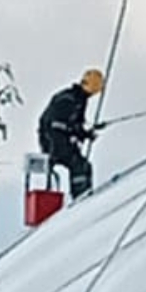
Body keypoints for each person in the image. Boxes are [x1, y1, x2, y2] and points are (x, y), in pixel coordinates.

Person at [38, 68, 106, 200]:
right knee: (78, 164)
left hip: (60, 139)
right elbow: (57, 124)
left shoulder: (79, 100)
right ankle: (80, 195)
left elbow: (75, 125)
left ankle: (83, 192)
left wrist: (86, 133)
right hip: (53, 141)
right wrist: (75, 134)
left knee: (84, 165)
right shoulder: (68, 99)